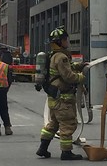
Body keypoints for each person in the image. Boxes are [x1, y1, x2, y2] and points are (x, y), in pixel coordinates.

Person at [36, 26, 87, 160]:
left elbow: (65, 68)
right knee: (68, 123)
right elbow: (68, 76)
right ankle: (66, 152)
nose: (67, 42)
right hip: (63, 99)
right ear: (59, 42)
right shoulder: (61, 57)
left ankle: (42, 148)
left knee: (53, 124)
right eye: (65, 39)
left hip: (54, 98)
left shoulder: (54, 55)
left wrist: (79, 65)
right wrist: (81, 77)